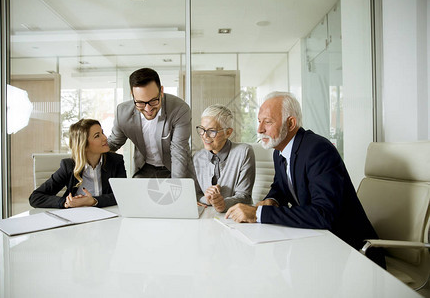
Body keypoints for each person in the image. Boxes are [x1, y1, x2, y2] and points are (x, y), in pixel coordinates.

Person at [225, 92, 385, 268]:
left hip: (352, 252)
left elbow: (323, 214)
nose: (260, 129)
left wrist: (258, 214)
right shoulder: (280, 151)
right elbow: (280, 186)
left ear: (291, 123)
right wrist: (272, 200)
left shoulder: (318, 150)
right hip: (318, 244)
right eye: (259, 121)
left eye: (268, 122)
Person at [108, 67, 193, 178]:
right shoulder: (123, 112)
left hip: (172, 168)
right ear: (132, 95)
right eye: (140, 103)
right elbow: (113, 143)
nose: (148, 109)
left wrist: (177, 186)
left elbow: (179, 152)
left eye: (153, 101)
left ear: (161, 91)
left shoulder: (179, 109)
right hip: (144, 168)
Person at [29, 119, 127, 208]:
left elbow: (122, 195)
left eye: (102, 133)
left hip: (107, 215)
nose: (105, 138)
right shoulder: (68, 166)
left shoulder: (116, 161)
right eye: (97, 136)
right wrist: (66, 202)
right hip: (77, 216)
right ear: (84, 145)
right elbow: (35, 197)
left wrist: (93, 201)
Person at [193, 104, 255, 212]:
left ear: (228, 132)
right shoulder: (197, 157)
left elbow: (245, 196)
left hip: (234, 217)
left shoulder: (244, 152)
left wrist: (223, 204)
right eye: (202, 129)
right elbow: (195, 194)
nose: (204, 136)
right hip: (206, 216)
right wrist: (207, 199)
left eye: (211, 131)